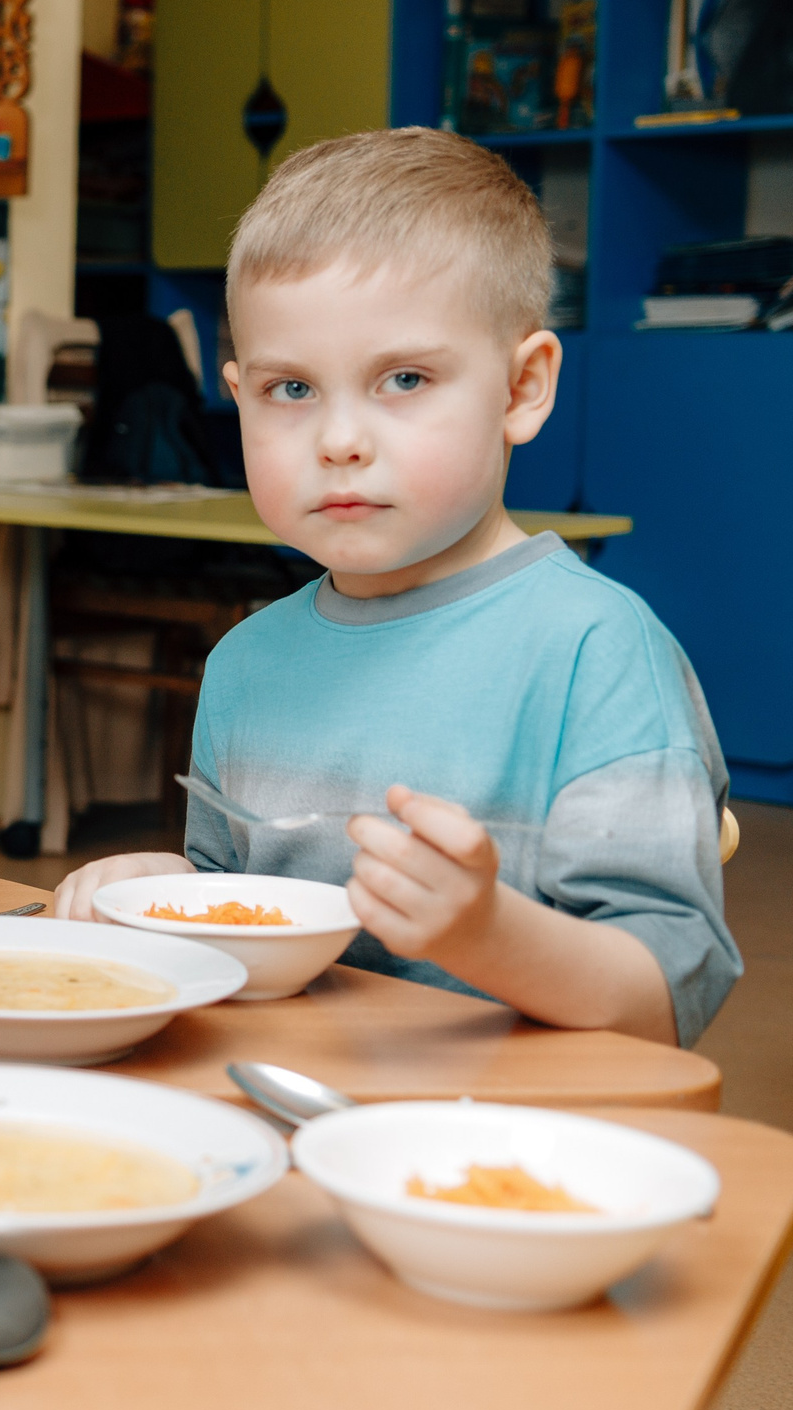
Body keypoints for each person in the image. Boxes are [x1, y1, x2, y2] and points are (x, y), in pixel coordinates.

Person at [52, 128, 737, 1046]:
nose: (339, 439)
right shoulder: (246, 661)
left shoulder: (595, 651)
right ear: (238, 395)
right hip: (296, 1103)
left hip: (517, 1145)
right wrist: (162, 884)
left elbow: (667, 996)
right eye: (289, 389)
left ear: (522, 388)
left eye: (404, 378)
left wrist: (489, 934)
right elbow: (235, 925)